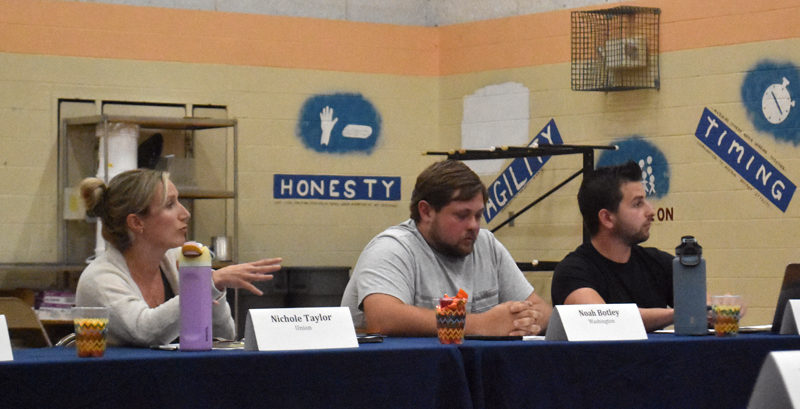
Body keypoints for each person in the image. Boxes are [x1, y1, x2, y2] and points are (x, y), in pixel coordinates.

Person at [341, 160, 552, 337]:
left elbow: (542, 310)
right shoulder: (392, 248)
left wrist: (524, 322)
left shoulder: (486, 244)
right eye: (461, 215)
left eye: (478, 215)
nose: (473, 225)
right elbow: (384, 318)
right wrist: (480, 324)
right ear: (426, 212)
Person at [75, 169, 281, 346]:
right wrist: (207, 283)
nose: (185, 213)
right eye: (170, 205)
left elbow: (223, 337)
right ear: (136, 223)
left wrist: (214, 289)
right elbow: (145, 331)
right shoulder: (99, 279)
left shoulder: (178, 261)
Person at [550, 161, 674, 331]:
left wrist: (717, 309)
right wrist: (678, 314)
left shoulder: (660, 263)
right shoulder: (573, 272)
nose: (651, 211)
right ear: (607, 218)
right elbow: (606, 320)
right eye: (637, 204)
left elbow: (703, 307)